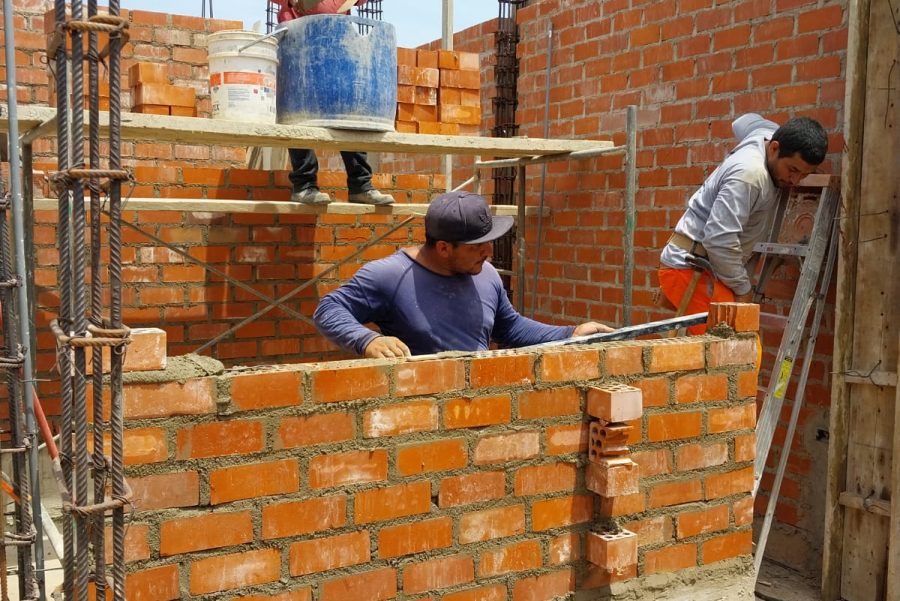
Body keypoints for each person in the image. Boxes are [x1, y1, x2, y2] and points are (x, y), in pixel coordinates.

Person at [313, 191, 615, 358]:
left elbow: (509, 328)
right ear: (444, 248)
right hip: (418, 416)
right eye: (478, 247)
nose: (489, 253)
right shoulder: (391, 275)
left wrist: (568, 334)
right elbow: (328, 309)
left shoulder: (486, 276)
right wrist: (365, 340)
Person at [658, 113, 828, 333]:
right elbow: (719, 239)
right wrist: (742, 288)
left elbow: (742, 122)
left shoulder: (764, 134)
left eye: (804, 175)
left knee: (730, 350)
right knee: (727, 348)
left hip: (711, 266)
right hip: (690, 268)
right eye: (792, 170)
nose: (795, 181)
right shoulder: (749, 176)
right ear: (774, 148)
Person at [276, 0, 395, 206]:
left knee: (349, 114)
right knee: (299, 117)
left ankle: (361, 185)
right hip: (299, 41)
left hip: (338, 42)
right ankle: (305, 186)